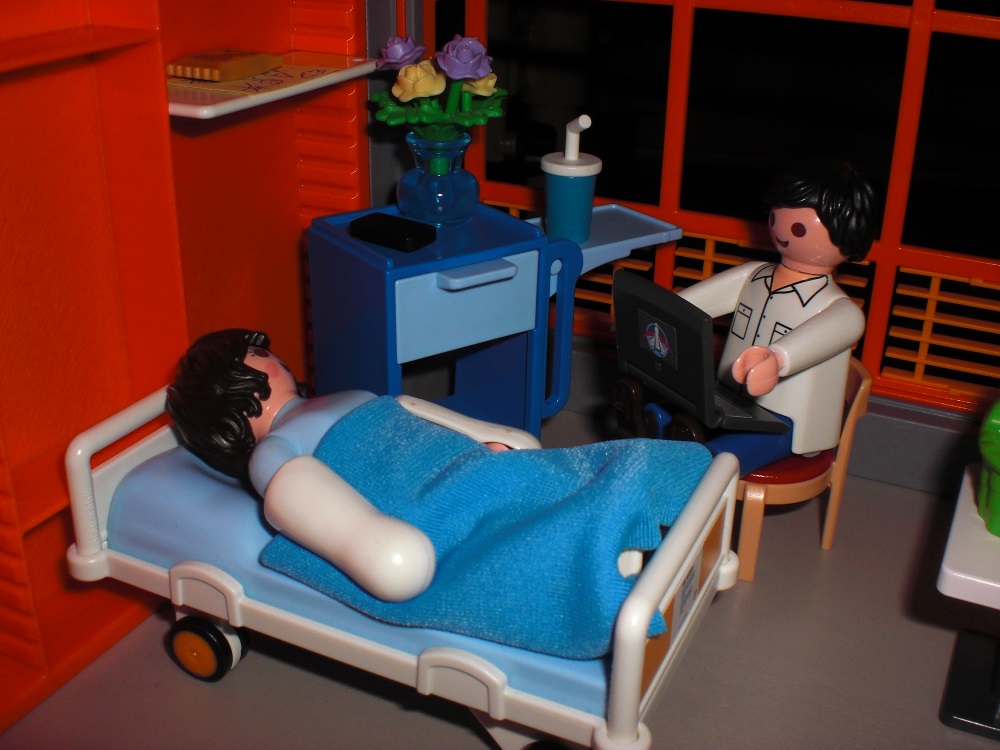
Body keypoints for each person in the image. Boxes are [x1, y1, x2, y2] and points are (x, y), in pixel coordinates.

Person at [166, 329, 713, 657]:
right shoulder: (274, 455)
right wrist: (382, 550)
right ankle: (606, 555)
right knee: (515, 540)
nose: (272, 358)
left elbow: (411, 417)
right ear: (232, 397)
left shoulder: (339, 397)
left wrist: (484, 440)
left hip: (462, 467)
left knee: (550, 477)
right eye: (257, 356)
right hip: (428, 511)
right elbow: (319, 508)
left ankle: (636, 510)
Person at [676, 159, 875, 473]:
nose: (781, 230)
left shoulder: (841, 310)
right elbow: (690, 305)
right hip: (726, 398)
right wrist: (656, 312)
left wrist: (778, 359)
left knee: (714, 462)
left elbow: (815, 339)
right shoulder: (754, 276)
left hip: (787, 421)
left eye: (798, 228)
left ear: (848, 234)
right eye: (774, 218)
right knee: (663, 418)